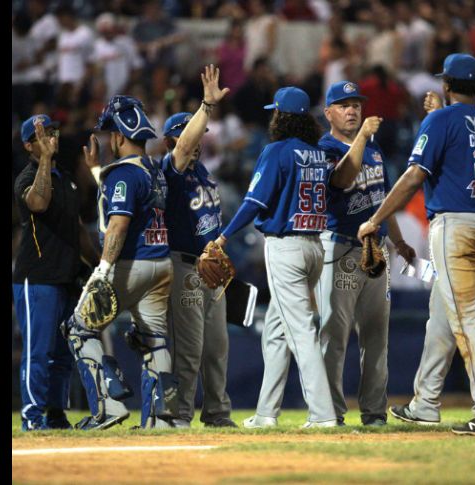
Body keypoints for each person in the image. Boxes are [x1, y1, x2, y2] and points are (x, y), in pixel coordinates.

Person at [358, 53, 475, 436]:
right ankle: (425, 403)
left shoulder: (440, 119)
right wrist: (439, 115)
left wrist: (376, 219)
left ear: (446, 84)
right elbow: (460, 141)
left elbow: (413, 176)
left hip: (456, 225)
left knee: (467, 319)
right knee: (442, 315)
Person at [217, 87, 356, 428]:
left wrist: (222, 236)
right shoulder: (316, 153)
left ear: (281, 116)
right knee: (277, 333)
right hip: (313, 246)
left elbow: (253, 203)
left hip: (287, 248)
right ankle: (267, 413)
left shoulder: (276, 151)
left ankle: (323, 415)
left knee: (300, 333)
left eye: (274, 112)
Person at [64, 95, 176, 430]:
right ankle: (161, 419)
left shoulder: (122, 174)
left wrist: (102, 270)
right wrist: (99, 171)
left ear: (118, 136)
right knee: (154, 339)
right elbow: (130, 197)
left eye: (109, 133)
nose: (106, 139)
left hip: (129, 264)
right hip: (161, 264)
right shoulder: (153, 171)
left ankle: (109, 407)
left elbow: (119, 223)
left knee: (79, 329)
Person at [317, 81, 415, 426]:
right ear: (328, 112)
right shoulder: (325, 148)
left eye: (356, 104)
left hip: (376, 251)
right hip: (341, 248)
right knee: (335, 337)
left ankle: (374, 413)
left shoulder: (374, 150)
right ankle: (330, 412)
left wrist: (398, 241)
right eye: (343, 105)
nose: (352, 110)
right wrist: (360, 140)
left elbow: (384, 201)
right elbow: (343, 179)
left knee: (377, 338)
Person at [160, 66, 237, 428]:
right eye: (188, 137)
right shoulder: (169, 171)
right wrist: (206, 105)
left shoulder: (204, 174)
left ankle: (218, 413)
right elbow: (184, 147)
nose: (196, 142)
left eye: (199, 136)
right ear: (170, 141)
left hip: (211, 269)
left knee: (217, 348)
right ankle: (179, 415)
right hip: (185, 266)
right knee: (189, 349)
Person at [13, 115, 100, 431]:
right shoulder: (26, 178)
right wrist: (46, 161)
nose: (51, 137)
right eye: (42, 135)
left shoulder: (65, 178)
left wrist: (99, 262)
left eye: (52, 132)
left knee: (63, 354)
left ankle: (55, 414)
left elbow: (77, 229)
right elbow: (38, 203)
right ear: (28, 145)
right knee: (39, 352)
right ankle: (32, 418)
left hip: (66, 277)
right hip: (36, 277)